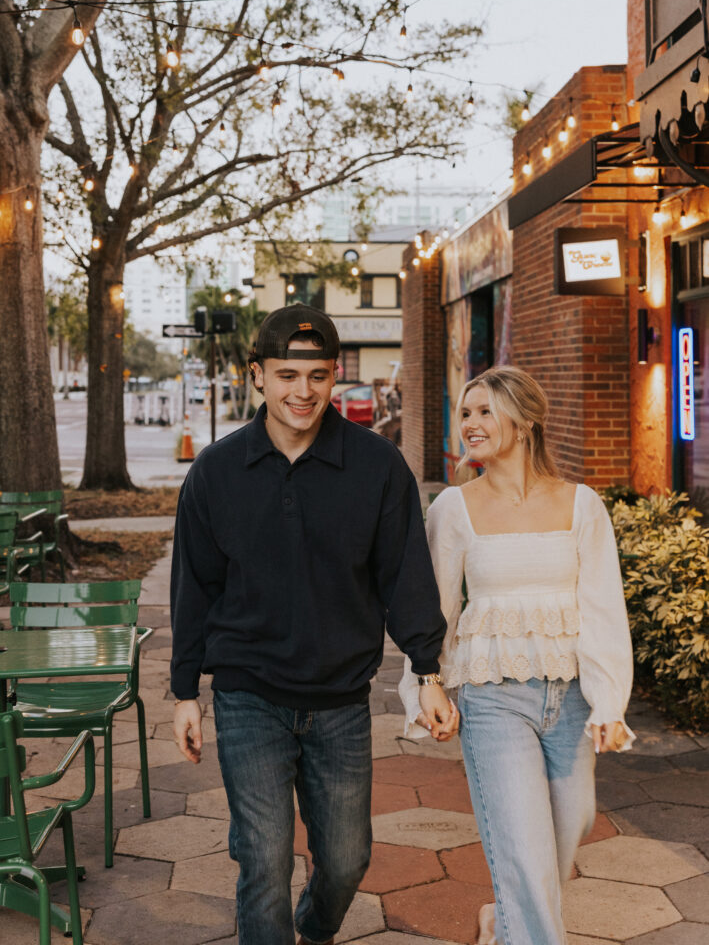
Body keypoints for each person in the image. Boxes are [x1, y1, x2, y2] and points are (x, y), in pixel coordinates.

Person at [171, 302, 457, 945]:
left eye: (318, 377)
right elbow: (194, 586)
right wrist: (186, 690)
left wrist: (428, 670)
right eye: (286, 376)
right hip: (249, 694)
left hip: (340, 701)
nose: (303, 392)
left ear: (335, 377)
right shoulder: (215, 472)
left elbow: (406, 576)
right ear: (257, 376)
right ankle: (265, 886)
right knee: (265, 861)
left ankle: (313, 926)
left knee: (348, 858)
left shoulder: (378, 467)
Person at [399, 365, 635, 945]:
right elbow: (434, 613)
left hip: (572, 700)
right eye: (465, 413)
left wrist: (610, 703)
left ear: (525, 421)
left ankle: (502, 923)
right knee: (526, 858)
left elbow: (603, 607)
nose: (470, 425)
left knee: (566, 831)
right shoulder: (453, 509)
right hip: (493, 698)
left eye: (484, 411)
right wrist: (425, 687)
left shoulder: (582, 505)